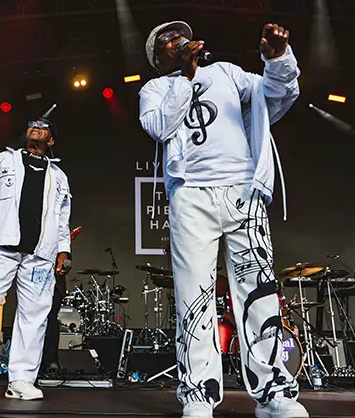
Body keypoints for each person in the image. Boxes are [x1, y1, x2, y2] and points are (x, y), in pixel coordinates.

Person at [138, 21, 307, 418]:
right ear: (157, 59)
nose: (176, 40)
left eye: (180, 35)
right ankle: (198, 397)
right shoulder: (155, 89)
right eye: (166, 41)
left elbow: (277, 96)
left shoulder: (227, 73)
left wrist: (277, 57)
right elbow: (160, 127)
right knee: (193, 299)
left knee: (259, 295)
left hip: (243, 192)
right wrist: (187, 75)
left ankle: (274, 395)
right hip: (191, 196)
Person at [0, 117, 72, 402]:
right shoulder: (2, 161)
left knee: (34, 318)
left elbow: (62, 220)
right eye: (32, 124)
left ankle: (21, 379)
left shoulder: (58, 176)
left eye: (44, 126)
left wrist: (64, 250)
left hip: (40, 256)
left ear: (52, 140)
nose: (36, 127)